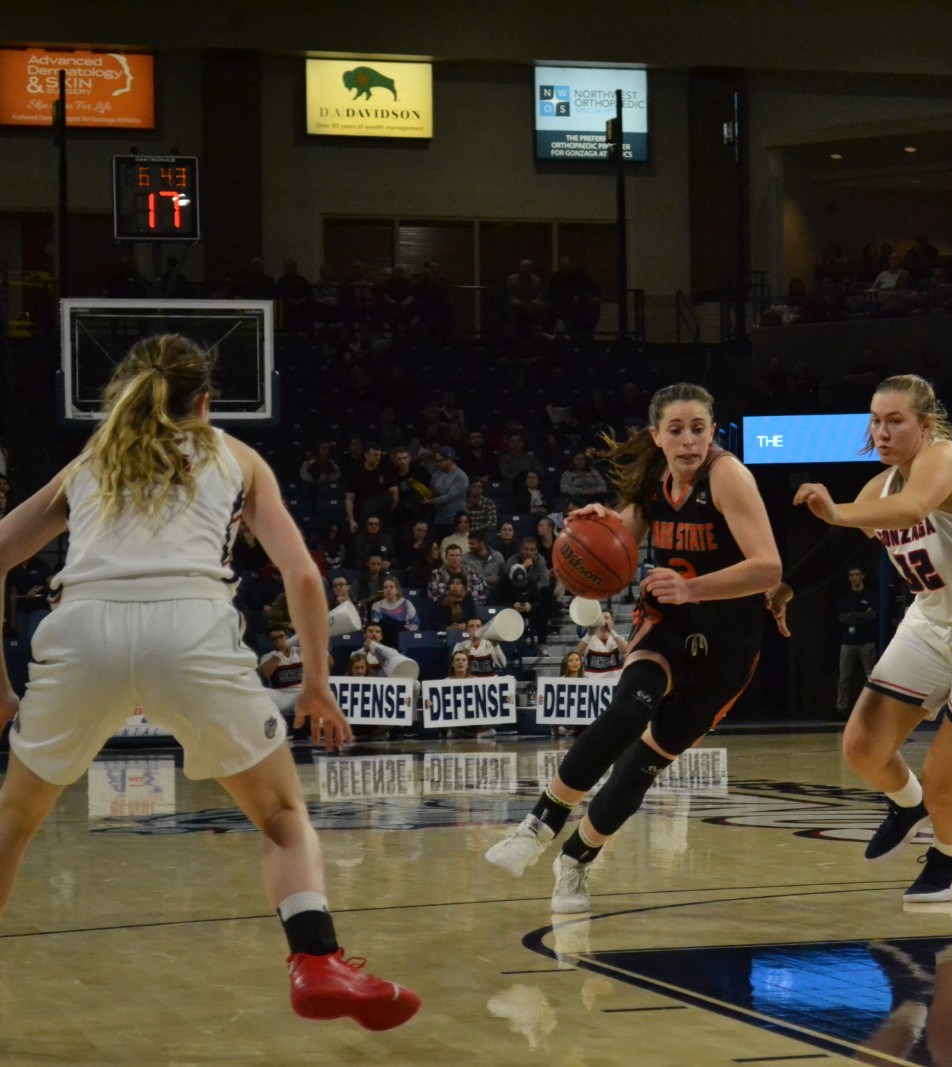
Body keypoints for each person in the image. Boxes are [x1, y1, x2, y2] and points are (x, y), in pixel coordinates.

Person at [0, 335, 417, 1029]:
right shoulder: (236, 455)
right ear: (205, 402)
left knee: (14, 820)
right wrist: (316, 683)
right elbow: (304, 574)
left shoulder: (91, 459)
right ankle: (315, 959)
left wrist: (1, 685)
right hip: (190, 631)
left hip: (82, 631)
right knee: (283, 818)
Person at [485, 383, 780, 913]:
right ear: (656, 436)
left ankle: (574, 861)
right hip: (668, 624)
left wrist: (691, 586)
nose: (688, 441)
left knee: (642, 766)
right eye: (676, 430)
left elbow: (767, 568)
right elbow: (617, 541)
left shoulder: (729, 476)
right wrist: (596, 527)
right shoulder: (653, 480)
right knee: (626, 712)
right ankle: (535, 826)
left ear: (713, 432)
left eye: (698, 429)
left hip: (728, 645)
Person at [767, 373, 952, 903]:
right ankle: (906, 803)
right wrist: (787, 588)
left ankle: (951, 854)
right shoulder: (880, 486)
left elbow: (914, 509)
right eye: (876, 421)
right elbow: (840, 545)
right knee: (862, 748)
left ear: (925, 423)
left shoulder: (947, 460)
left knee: (945, 782)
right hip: (931, 626)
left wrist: (839, 509)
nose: (883, 431)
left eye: (896, 420)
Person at [836, 565, 878, 716]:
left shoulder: (870, 595)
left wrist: (853, 617)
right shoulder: (845, 596)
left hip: (866, 641)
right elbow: (842, 618)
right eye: (851, 575)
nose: (854, 577)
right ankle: (841, 708)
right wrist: (861, 615)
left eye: (857, 574)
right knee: (844, 678)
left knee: (870, 677)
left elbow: (872, 615)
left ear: (862, 576)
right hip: (848, 642)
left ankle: (872, 709)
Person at [577, 611, 624, 681]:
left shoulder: (617, 639)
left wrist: (611, 631)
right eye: (600, 619)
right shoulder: (588, 639)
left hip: (614, 682)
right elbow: (579, 653)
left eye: (606, 618)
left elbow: (626, 651)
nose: (603, 621)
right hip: (593, 683)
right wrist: (589, 633)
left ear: (612, 622)